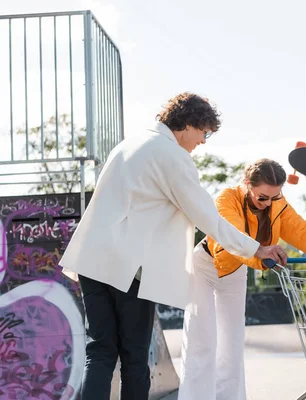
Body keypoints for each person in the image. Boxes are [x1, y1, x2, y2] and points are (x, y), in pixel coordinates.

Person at [59, 93, 286, 400]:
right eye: (204, 133)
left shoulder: (128, 145)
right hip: (131, 269)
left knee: (99, 352)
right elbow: (208, 216)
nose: (203, 141)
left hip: (93, 260)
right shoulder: (172, 156)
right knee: (135, 357)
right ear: (188, 125)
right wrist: (256, 249)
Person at [178, 158, 306, 400]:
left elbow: (304, 233)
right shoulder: (226, 199)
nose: (268, 203)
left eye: (274, 196)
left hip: (235, 270)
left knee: (232, 346)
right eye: (262, 197)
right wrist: (261, 255)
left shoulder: (277, 204)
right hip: (205, 266)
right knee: (201, 342)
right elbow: (231, 241)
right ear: (247, 183)